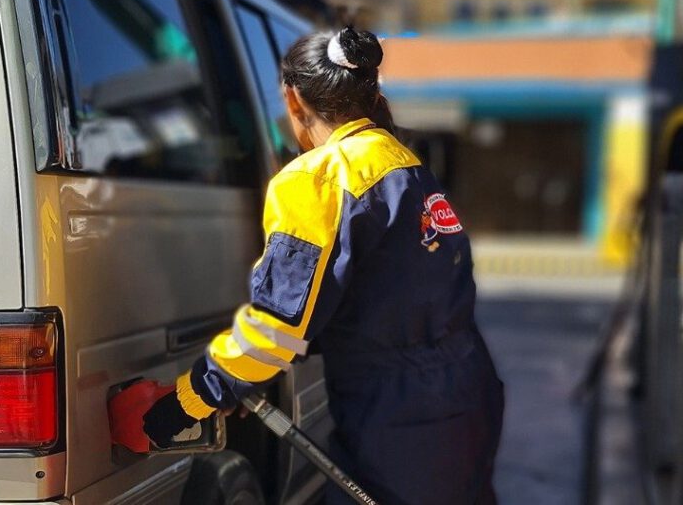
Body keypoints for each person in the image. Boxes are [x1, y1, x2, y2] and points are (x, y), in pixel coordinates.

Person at [110, 26, 504, 504]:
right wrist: (245, 377)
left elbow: (276, 327)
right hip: (467, 392)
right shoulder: (404, 165)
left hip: (399, 421)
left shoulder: (317, 178)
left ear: (292, 98)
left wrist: (187, 402)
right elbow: (385, 293)